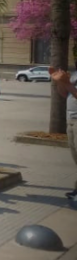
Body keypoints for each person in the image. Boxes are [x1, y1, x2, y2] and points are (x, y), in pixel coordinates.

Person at [50, 62, 77, 200]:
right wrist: (60, 82)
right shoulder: (75, 74)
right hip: (71, 120)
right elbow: (64, 94)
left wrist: (67, 83)